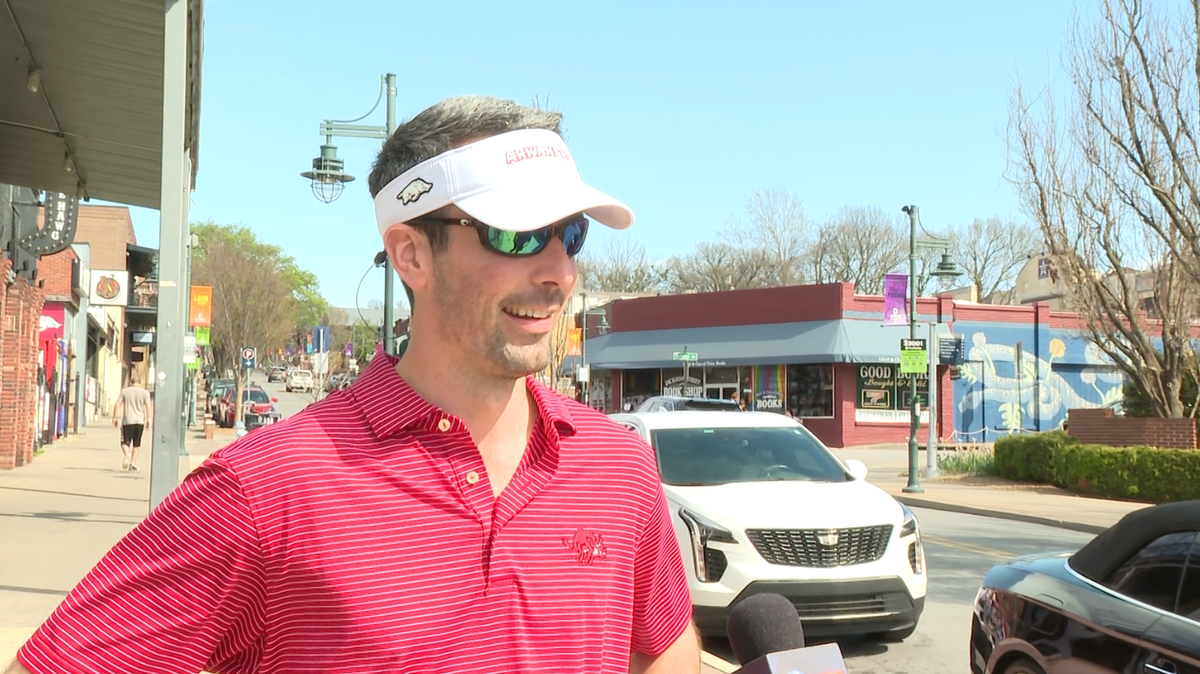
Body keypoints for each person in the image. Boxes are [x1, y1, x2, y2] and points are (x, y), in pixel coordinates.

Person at [8, 96, 698, 674]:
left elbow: (665, 649)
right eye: (518, 236)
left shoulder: (619, 466)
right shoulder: (267, 489)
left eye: (569, 234)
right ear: (412, 254)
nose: (560, 273)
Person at [112, 373, 152, 472]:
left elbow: (117, 404)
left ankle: (127, 454)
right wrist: (149, 420)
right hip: (139, 422)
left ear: (131, 383)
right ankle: (132, 464)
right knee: (136, 444)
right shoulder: (145, 393)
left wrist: (115, 418)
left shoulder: (125, 391)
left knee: (124, 442)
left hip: (127, 421)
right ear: (140, 384)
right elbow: (148, 407)